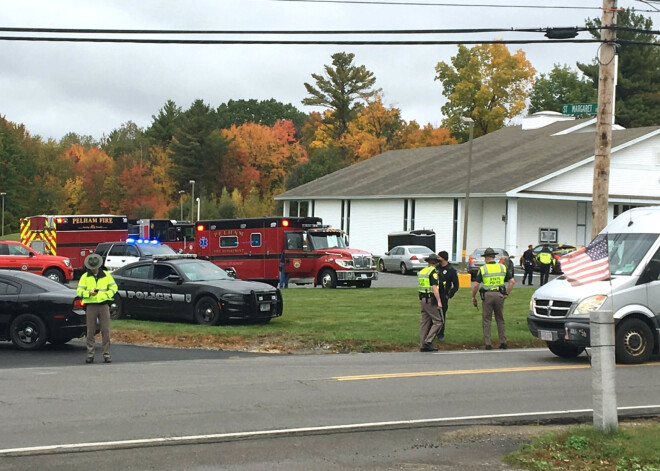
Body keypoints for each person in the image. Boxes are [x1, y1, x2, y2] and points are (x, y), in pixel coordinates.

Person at [471, 247, 515, 350]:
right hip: (499, 295)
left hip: (488, 295)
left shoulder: (483, 269)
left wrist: (473, 296)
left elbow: (476, 285)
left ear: (486, 258)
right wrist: (507, 293)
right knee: (500, 319)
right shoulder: (502, 267)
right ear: (494, 257)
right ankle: (503, 342)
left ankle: (488, 344)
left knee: (487, 320)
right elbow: (512, 281)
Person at [77, 253, 117, 364]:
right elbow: (79, 291)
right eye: (92, 267)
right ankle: (90, 355)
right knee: (90, 331)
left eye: (95, 267)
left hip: (104, 305)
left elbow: (114, 287)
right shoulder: (85, 277)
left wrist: (106, 295)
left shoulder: (106, 275)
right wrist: (88, 293)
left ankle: (107, 354)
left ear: (99, 266)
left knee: (105, 330)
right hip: (91, 306)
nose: (94, 269)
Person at [417, 253, 444, 352]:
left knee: (424, 322)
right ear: (436, 263)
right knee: (438, 321)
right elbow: (434, 288)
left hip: (422, 299)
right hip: (430, 300)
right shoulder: (433, 272)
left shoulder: (422, 271)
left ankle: (422, 345)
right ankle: (428, 342)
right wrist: (439, 301)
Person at [436, 250, 458, 341]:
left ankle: (440, 334)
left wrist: (449, 295)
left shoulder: (451, 270)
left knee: (441, 316)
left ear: (443, 258)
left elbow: (456, 285)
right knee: (433, 315)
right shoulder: (437, 268)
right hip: (435, 294)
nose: (437, 259)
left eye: (438, 257)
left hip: (443, 295)